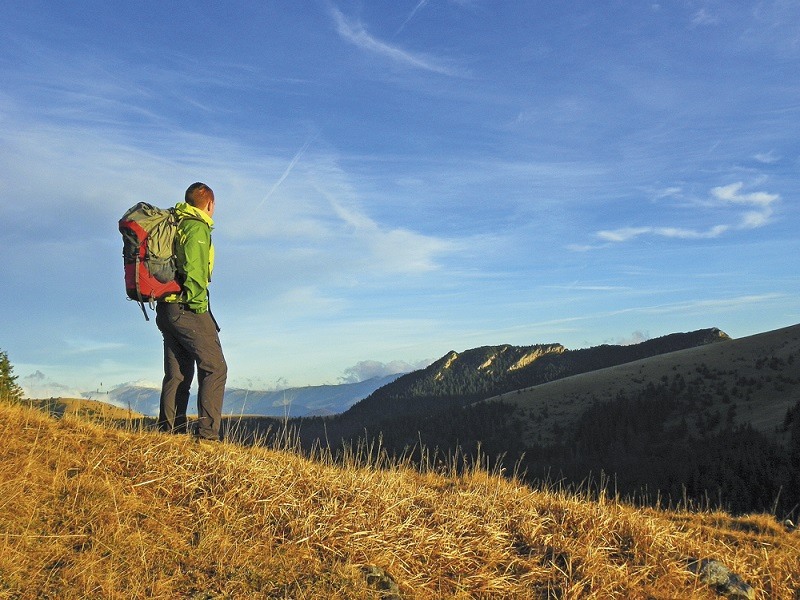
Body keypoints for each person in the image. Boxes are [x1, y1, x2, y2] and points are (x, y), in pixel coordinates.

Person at [155, 182, 227, 441]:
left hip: (166, 308)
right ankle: (207, 437)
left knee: (178, 373)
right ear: (209, 203)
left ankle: (170, 432)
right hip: (187, 307)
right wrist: (198, 307)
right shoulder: (196, 227)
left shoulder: (175, 224)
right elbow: (195, 272)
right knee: (215, 367)